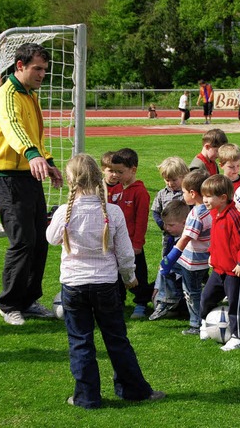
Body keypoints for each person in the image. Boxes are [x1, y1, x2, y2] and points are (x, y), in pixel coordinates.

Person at [45, 154, 165, 409]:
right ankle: (133, 390)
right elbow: (124, 253)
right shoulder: (111, 211)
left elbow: (51, 238)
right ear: (100, 178)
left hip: (74, 285)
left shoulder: (73, 213)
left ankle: (87, 397)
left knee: (80, 342)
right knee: (116, 339)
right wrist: (130, 277)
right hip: (105, 285)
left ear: (70, 181)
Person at [0, 42, 63, 326]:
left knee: (39, 242)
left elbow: (36, 136)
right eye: (37, 68)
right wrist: (31, 154)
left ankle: (29, 300)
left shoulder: (31, 94)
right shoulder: (7, 94)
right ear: (20, 66)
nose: (42, 74)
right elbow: (14, 128)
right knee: (22, 241)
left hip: (29, 176)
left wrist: (49, 161)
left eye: (45, 69)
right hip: (6, 179)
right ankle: (8, 305)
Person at [199, 175, 240, 351]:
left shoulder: (235, 218)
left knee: (236, 305)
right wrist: (212, 255)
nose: (205, 200)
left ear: (223, 197)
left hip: (235, 272)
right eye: (204, 196)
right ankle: (205, 324)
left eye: (209, 196)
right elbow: (217, 241)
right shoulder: (216, 214)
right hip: (219, 269)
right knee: (206, 297)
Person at [156, 170, 211, 334]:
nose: (183, 195)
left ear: (193, 193)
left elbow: (186, 238)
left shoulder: (197, 214)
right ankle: (169, 299)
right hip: (191, 259)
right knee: (167, 273)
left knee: (192, 292)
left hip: (193, 262)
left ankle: (196, 324)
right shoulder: (208, 210)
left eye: (185, 192)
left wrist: (170, 258)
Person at [110, 148, 152, 318]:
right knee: (116, 275)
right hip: (116, 243)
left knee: (137, 275)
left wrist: (137, 244)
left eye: (120, 171)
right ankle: (118, 303)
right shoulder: (115, 190)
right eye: (113, 171)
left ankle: (141, 303)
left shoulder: (140, 192)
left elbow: (142, 221)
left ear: (133, 170)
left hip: (132, 245)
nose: (116, 175)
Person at [149, 157, 190, 313]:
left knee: (183, 263)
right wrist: (163, 225)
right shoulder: (162, 194)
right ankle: (165, 292)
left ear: (183, 176)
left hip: (185, 236)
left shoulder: (186, 194)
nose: (170, 183)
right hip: (169, 236)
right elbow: (155, 211)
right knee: (167, 260)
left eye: (174, 180)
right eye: (167, 180)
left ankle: (182, 292)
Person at [149, 199, 191, 321]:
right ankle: (168, 303)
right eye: (165, 224)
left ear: (184, 223)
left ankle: (172, 304)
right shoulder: (170, 239)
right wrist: (157, 286)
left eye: (171, 225)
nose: (166, 228)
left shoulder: (190, 240)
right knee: (149, 292)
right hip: (172, 280)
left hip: (187, 282)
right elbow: (164, 263)